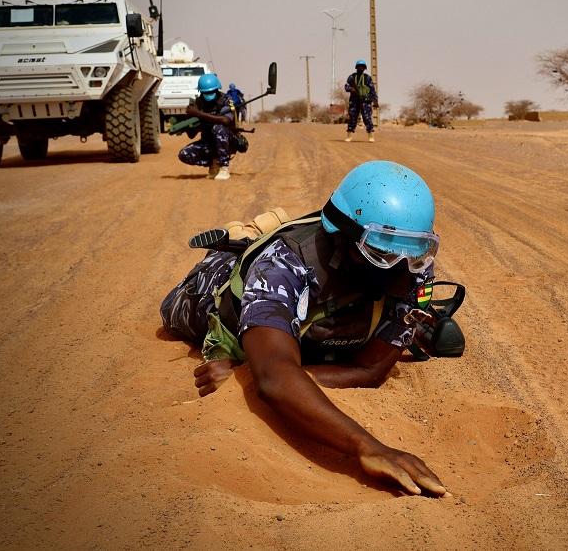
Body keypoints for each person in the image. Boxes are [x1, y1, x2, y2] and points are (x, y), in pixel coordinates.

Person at [160, 160, 449, 497]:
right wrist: (367, 446)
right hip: (213, 292)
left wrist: (252, 375)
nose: (401, 269)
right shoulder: (282, 266)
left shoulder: (413, 272)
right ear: (342, 236)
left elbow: (369, 370)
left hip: (318, 311)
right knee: (176, 309)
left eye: (414, 252)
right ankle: (244, 241)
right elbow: (274, 377)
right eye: (380, 252)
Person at [179, 73, 237, 181]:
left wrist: (199, 114)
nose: (209, 94)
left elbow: (225, 120)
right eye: (206, 92)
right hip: (208, 142)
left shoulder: (226, 100)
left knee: (218, 128)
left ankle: (223, 167)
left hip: (228, 141)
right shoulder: (197, 104)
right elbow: (191, 135)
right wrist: (189, 123)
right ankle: (213, 163)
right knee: (184, 154)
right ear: (200, 92)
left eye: (212, 91)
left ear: (217, 89)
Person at [343, 59, 377, 142]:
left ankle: (371, 136)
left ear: (365, 68)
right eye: (359, 67)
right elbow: (346, 87)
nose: (361, 68)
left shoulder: (367, 78)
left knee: (367, 118)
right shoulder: (352, 77)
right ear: (356, 67)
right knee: (352, 118)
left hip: (365, 101)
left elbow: (372, 90)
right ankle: (349, 136)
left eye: (362, 67)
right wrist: (351, 89)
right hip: (354, 100)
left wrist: (375, 100)